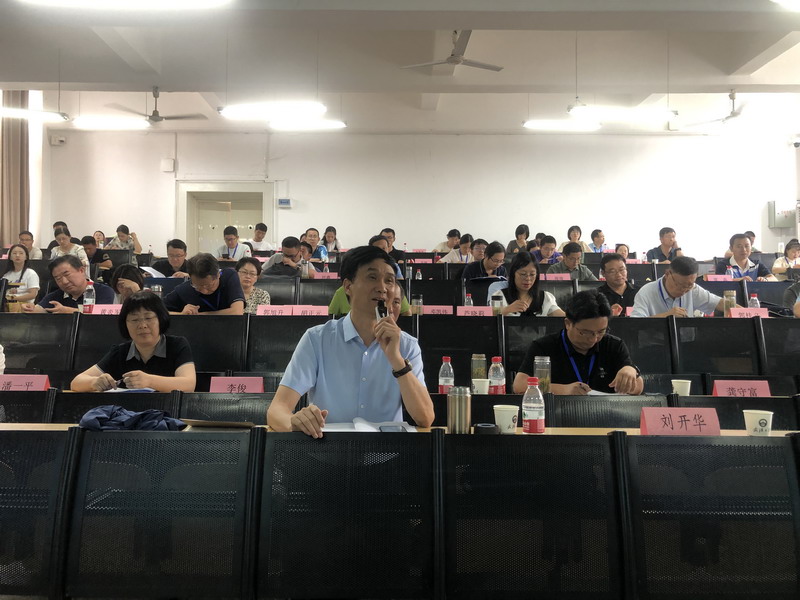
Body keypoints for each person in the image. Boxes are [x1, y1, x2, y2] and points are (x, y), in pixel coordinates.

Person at [267, 245, 434, 437]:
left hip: (387, 451)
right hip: (328, 450)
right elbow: (276, 410)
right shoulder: (317, 339)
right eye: (372, 277)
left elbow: (425, 418)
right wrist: (294, 423)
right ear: (348, 286)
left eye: (389, 280)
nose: (382, 288)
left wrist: (396, 360)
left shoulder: (407, 345)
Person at [512, 290, 643, 395]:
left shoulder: (614, 345)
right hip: (557, 414)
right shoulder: (544, 347)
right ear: (568, 323)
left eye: (601, 331)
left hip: (606, 414)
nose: (593, 339)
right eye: (585, 332)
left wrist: (630, 371)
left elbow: (638, 386)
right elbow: (519, 385)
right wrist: (564, 390)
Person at [70, 291, 196, 393]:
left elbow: (189, 385)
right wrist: (94, 382)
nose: (142, 325)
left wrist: (149, 381)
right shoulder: (120, 352)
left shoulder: (177, 345)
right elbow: (76, 382)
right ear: (125, 324)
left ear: (161, 319)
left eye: (148, 318)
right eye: (135, 320)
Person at [631, 256, 726, 318]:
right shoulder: (646, 292)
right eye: (679, 285)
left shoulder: (693, 289)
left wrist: (734, 306)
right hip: (654, 342)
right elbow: (635, 323)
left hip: (686, 341)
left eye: (689, 285)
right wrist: (666, 316)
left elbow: (720, 304)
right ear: (667, 274)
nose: (684, 290)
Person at [24, 255, 114, 313]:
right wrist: (30, 308)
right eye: (58, 278)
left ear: (81, 270)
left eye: (67, 274)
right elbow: (40, 308)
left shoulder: (104, 291)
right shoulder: (56, 295)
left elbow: (101, 313)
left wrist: (67, 311)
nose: (64, 281)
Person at [163, 253, 245, 315]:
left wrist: (199, 315)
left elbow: (237, 311)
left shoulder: (229, 276)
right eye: (197, 286)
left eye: (209, 285)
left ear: (218, 275)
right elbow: (158, 311)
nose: (204, 291)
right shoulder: (184, 290)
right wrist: (181, 315)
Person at [487, 251, 565, 317]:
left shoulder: (545, 298)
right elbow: (490, 321)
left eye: (532, 274)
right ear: (513, 274)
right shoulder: (499, 296)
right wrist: (507, 310)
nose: (528, 278)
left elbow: (562, 317)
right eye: (523, 274)